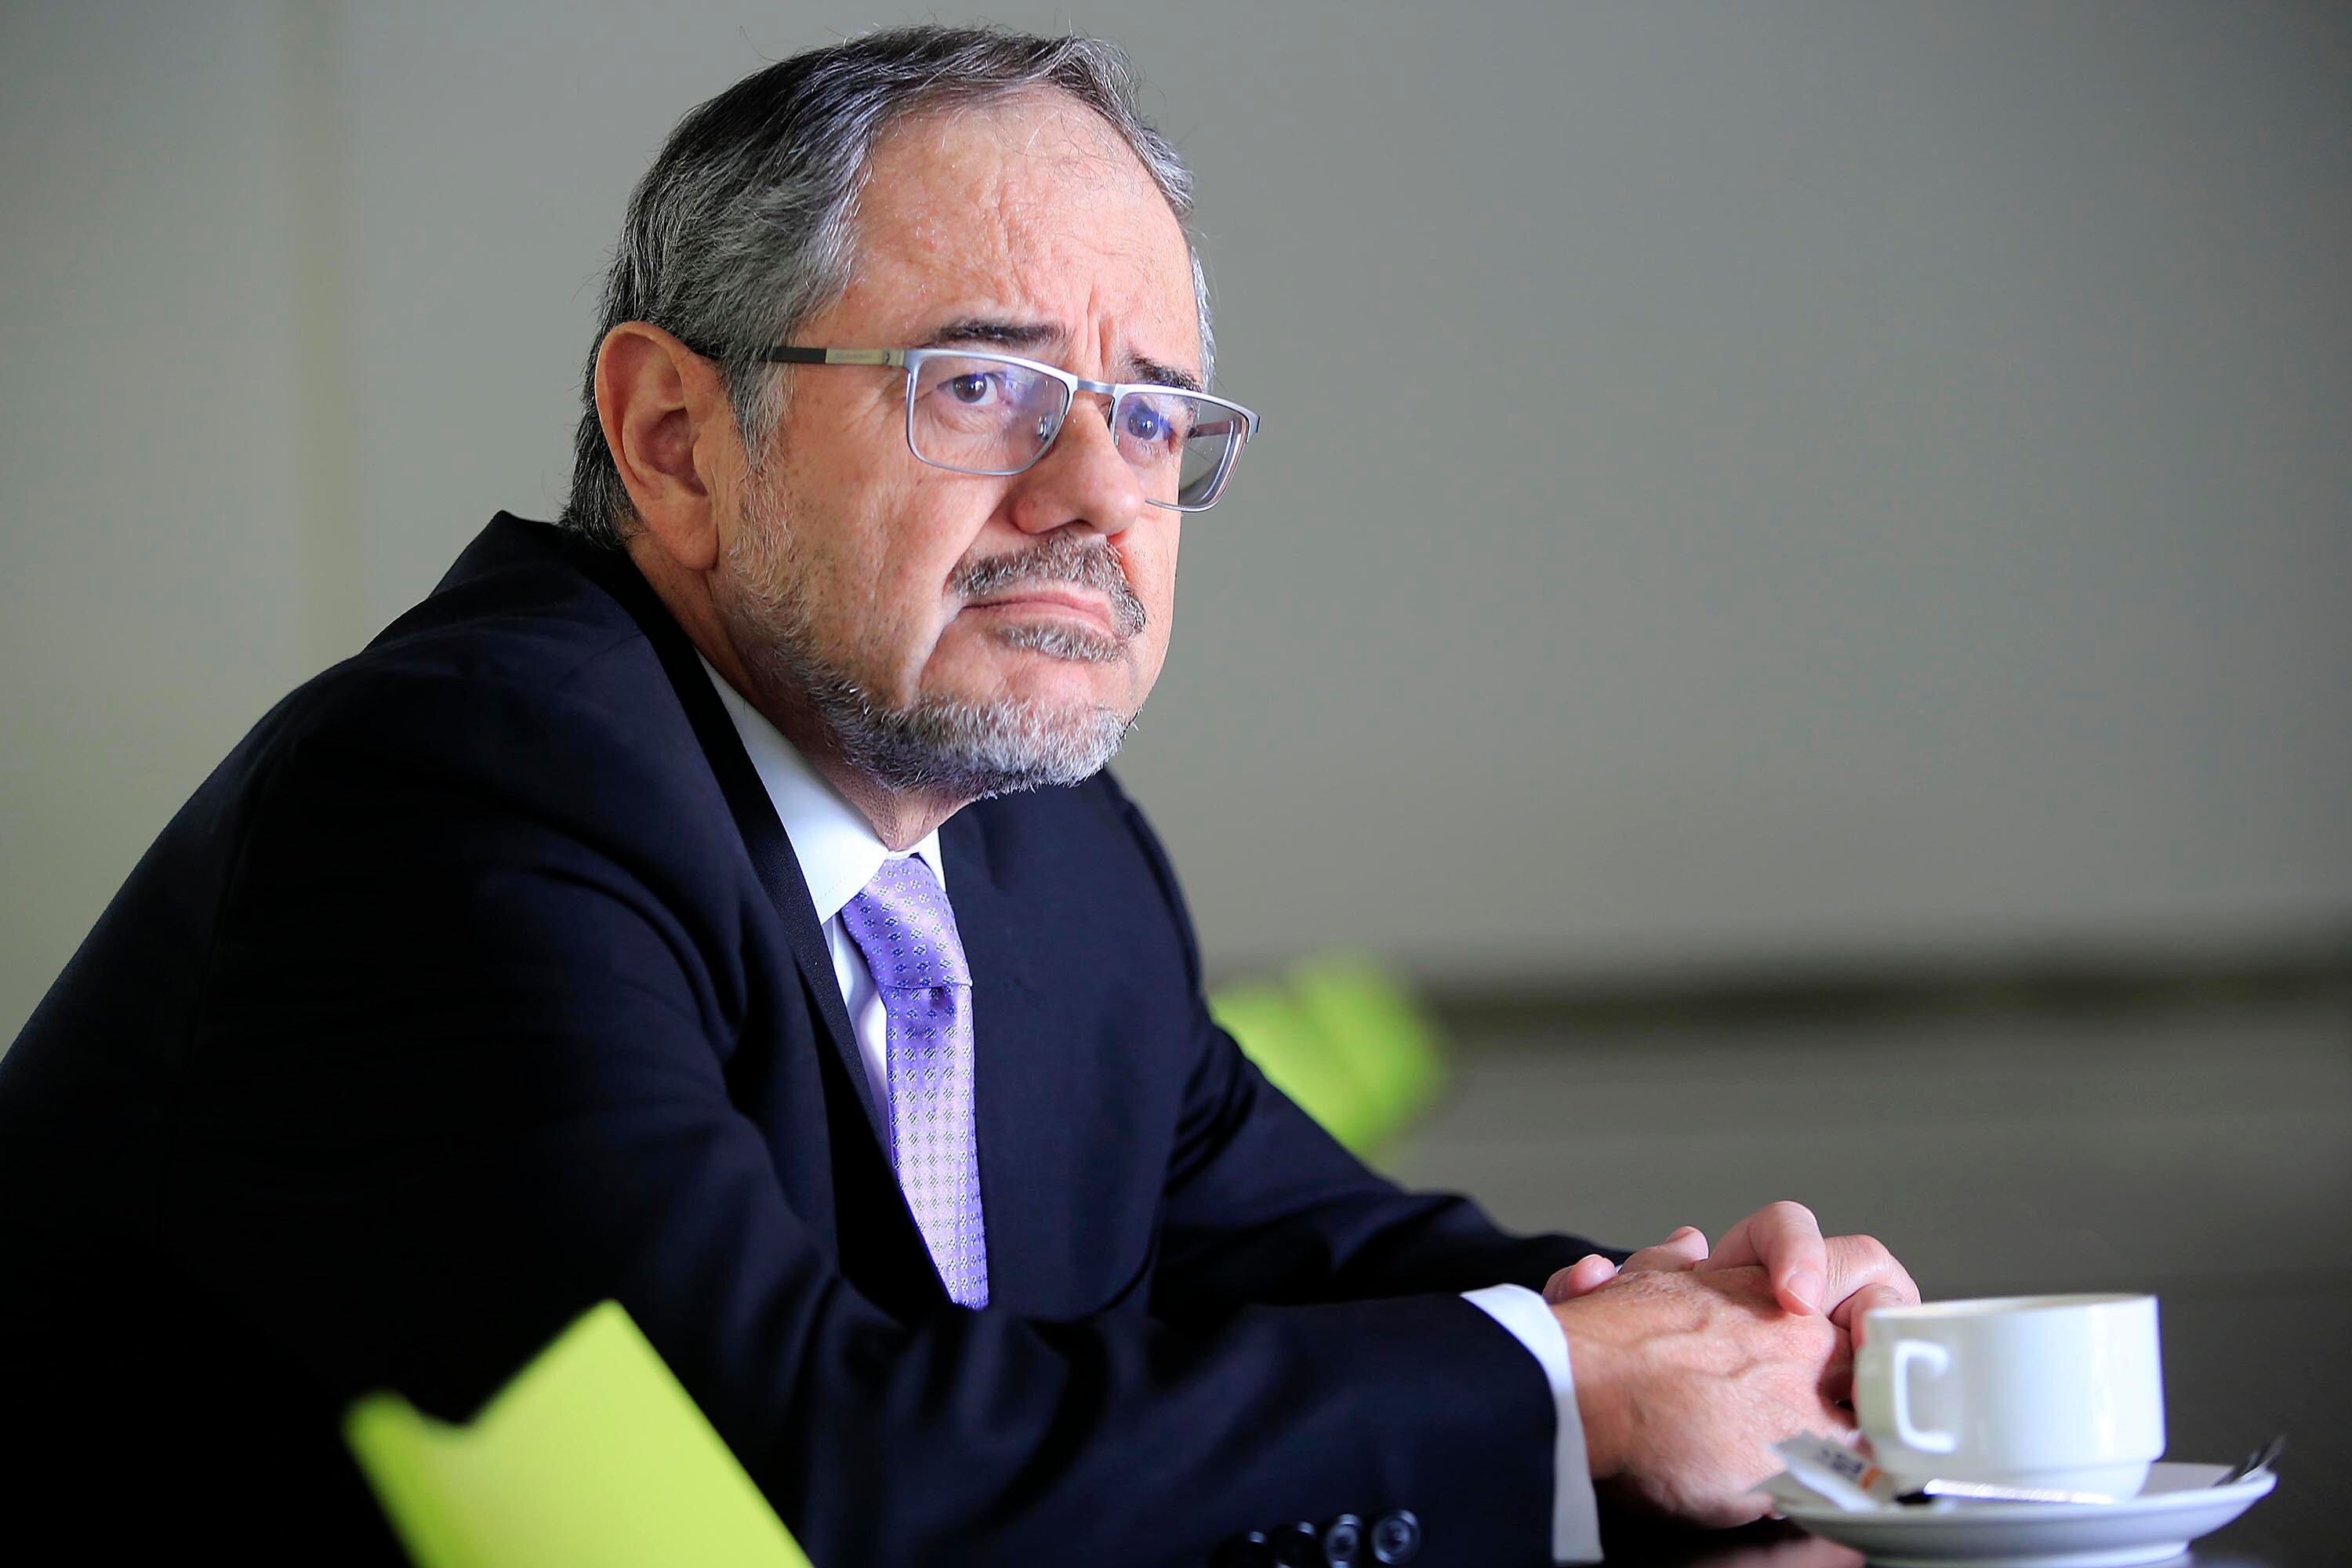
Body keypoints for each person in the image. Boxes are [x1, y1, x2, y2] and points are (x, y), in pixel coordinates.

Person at [0, 26, 1916, 1566]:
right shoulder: (456, 805)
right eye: (986, 386)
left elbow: (1310, 1258)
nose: (1097, 498)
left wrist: (1730, 1336)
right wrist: (1564, 1383)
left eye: (1151, 412)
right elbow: (799, 1479)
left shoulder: (1044, 857)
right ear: (677, 439)